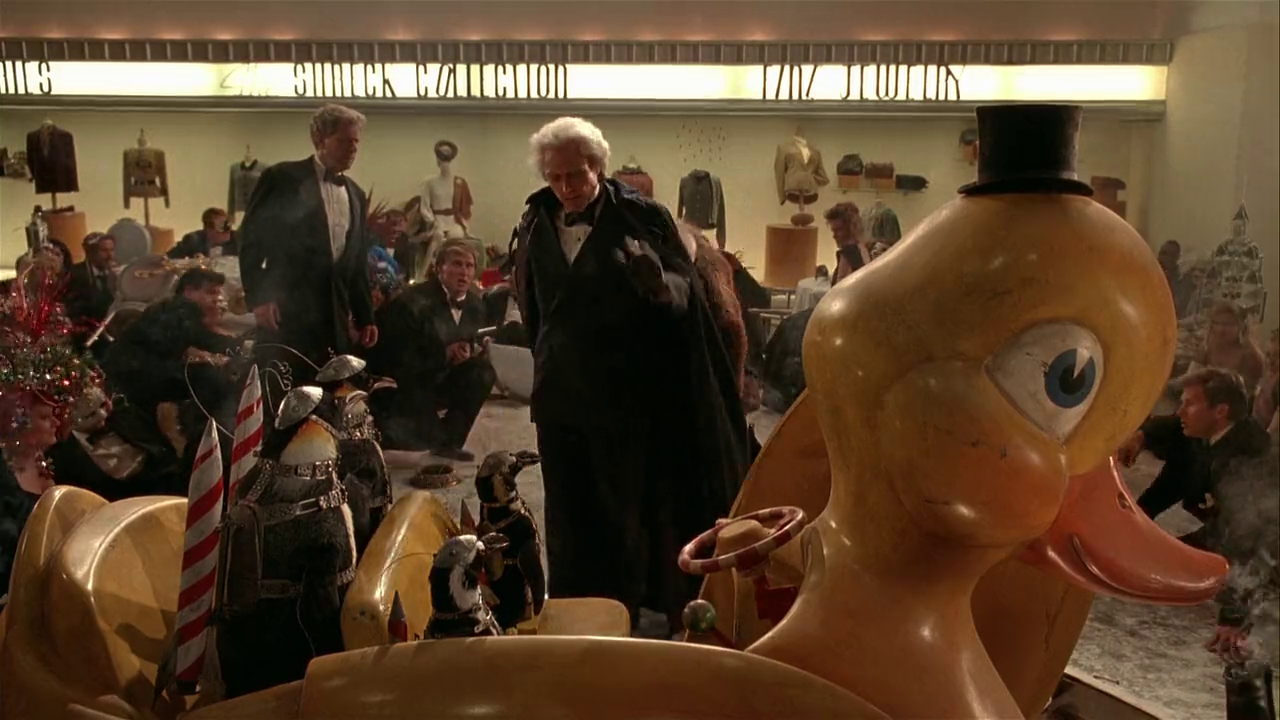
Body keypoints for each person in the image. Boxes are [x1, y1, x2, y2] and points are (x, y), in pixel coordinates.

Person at [511, 116, 750, 633]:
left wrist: (659, 285)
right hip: (559, 394)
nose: (566, 187)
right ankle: (577, 610)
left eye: (576, 174)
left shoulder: (643, 217)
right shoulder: (533, 221)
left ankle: (628, 612)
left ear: (598, 166)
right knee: (567, 513)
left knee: (625, 512)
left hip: (625, 395)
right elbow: (532, 303)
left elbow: (686, 296)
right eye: (555, 177)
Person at [238, 104, 378, 390]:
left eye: (355, 142)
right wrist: (260, 298)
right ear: (319, 139)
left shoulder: (356, 193)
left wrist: (366, 316)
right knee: (284, 390)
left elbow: (356, 262)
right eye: (343, 141)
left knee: (331, 392)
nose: (352, 148)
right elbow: (251, 240)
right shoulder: (282, 178)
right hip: (288, 308)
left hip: (335, 315)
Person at [367, 240, 495, 460]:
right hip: (407, 385)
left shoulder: (476, 305)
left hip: (444, 378)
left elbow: (471, 341)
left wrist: (471, 352)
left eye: (469, 266)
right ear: (439, 268)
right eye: (457, 264)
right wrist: (443, 354)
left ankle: (450, 443)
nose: (464, 272)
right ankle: (428, 435)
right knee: (423, 441)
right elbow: (396, 361)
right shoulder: (410, 302)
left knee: (482, 372)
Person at [1119, 367, 1271, 547]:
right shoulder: (1207, 427)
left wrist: (1163, 550)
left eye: (1189, 404)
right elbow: (1172, 424)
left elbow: (1227, 534)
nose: (1180, 412)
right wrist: (1140, 436)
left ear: (1220, 411)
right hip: (1197, 496)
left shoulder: (1248, 459)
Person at [1187, 301, 1266, 395]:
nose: (1221, 329)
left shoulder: (1251, 356)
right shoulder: (1207, 348)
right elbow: (1189, 380)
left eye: (1228, 324)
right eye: (1217, 323)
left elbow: (1249, 394)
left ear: (1241, 326)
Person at [65, 232, 117, 333]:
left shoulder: (118, 275)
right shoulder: (74, 274)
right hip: (86, 332)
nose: (110, 256)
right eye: (104, 251)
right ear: (90, 253)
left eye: (112, 250)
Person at [826, 202, 871, 284]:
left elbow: (840, 287)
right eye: (833, 231)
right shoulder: (861, 248)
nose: (834, 236)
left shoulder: (850, 253)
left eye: (838, 230)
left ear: (851, 227)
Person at [169, 206, 238, 259]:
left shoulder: (237, 239)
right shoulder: (193, 239)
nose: (227, 231)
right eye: (222, 227)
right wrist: (193, 262)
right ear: (208, 229)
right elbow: (169, 258)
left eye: (228, 226)